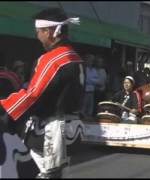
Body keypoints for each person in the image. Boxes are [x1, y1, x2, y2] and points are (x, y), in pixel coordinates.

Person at [0, 8, 84, 178]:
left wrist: (3, 107)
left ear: (50, 31)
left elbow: (33, 95)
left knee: (41, 174)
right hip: (71, 128)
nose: (37, 36)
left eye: (39, 31)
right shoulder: (75, 57)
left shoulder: (53, 59)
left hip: (51, 132)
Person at [81, 53, 98, 119]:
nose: (91, 62)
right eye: (90, 60)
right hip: (85, 91)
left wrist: (90, 80)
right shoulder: (84, 69)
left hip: (92, 91)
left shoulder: (94, 70)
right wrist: (92, 80)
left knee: (90, 108)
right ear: (86, 60)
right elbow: (85, 79)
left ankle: (89, 118)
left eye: (92, 60)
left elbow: (97, 80)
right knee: (83, 108)